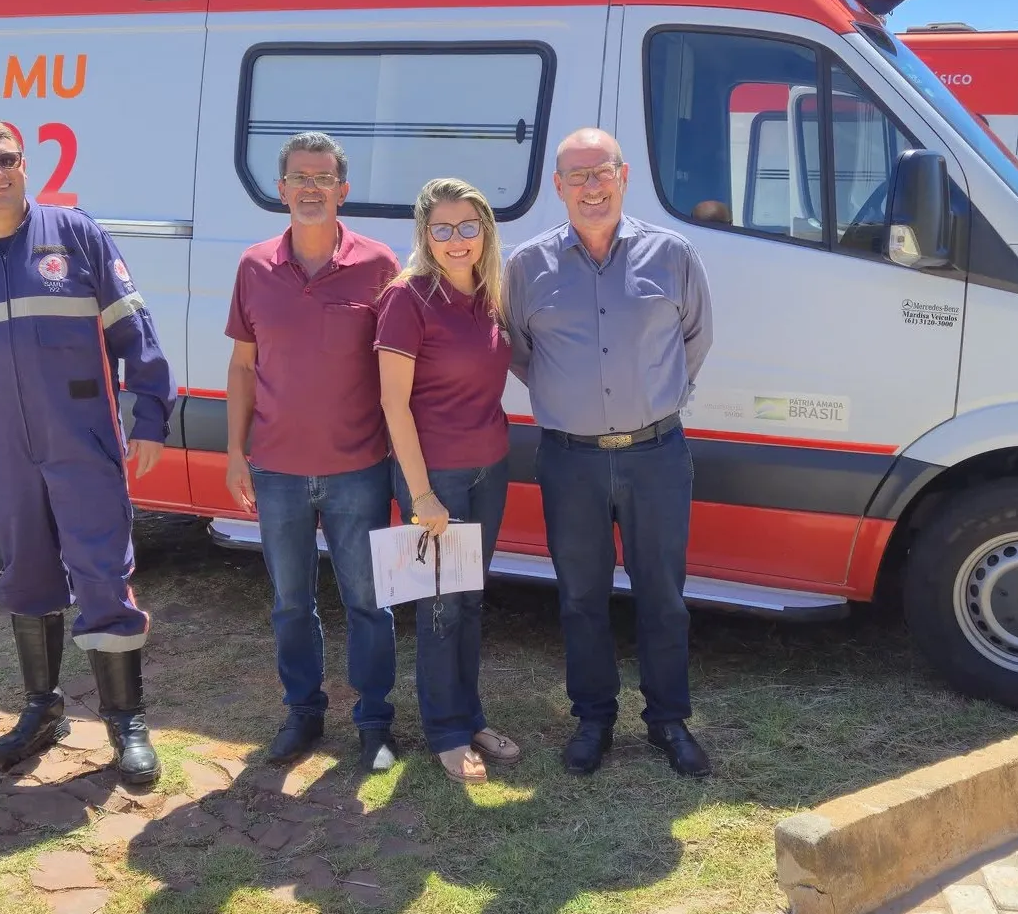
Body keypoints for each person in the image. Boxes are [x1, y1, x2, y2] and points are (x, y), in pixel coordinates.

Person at [0, 118, 177, 786]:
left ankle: (125, 718)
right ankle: (41, 706)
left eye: (6, 158)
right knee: (25, 574)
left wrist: (149, 415)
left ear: (26, 164)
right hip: (0, 446)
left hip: (80, 437)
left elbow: (135, 331)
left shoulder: (76, 234)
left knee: (101, 570)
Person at [503, 127, 715, 778]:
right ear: (557, 187)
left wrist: (652, 397)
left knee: (662, 595)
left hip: (656, 454)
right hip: (570, 460)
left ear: (623, 177)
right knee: (580, 595)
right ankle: (592, 717)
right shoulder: (526, 266)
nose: (591, 187)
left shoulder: (671, 253)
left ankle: (667, 719)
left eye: (602, 173)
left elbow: (695, 338)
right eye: (577, 176)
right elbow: (517, 350)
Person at [225, 131, 400, 774]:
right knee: (291, 602)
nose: (310, 188)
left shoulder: (380, 264)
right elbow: (243, 367)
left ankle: (375, 723)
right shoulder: (253, 267)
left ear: (342, 190)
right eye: (299, 177)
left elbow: (399, 368)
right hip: (275, 470)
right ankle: (303, 714)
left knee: (368, 601)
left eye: (323, 178)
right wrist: (235, 453)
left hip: (358, 467)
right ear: (281, 190)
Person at [374, 178, 522, 785]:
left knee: (470, 600)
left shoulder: (491, 295)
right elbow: (393, 403)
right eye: (442, 229)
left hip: (490, 466)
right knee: (440, 607)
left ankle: (470, 713)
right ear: (424, 236)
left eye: (467, 227)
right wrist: (421, 493)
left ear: (484, 231)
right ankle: (445, 731)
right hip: (437, 476)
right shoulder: (407, 300)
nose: (456, 240)